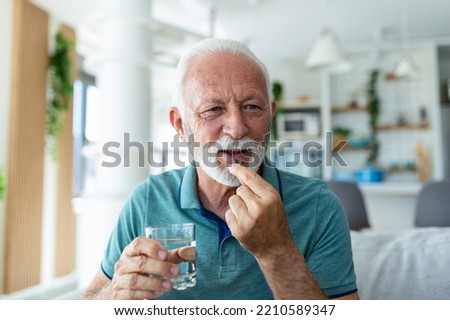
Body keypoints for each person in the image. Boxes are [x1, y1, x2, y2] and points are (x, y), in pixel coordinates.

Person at [82, 38, 359, 300]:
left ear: (270, 116)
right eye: (213, 109)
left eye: (252, 107)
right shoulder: (147, 200)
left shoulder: (319, 206)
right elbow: (88, 301)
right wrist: (114, 294)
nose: (237, 128)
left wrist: (276, 251)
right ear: (180, 125)